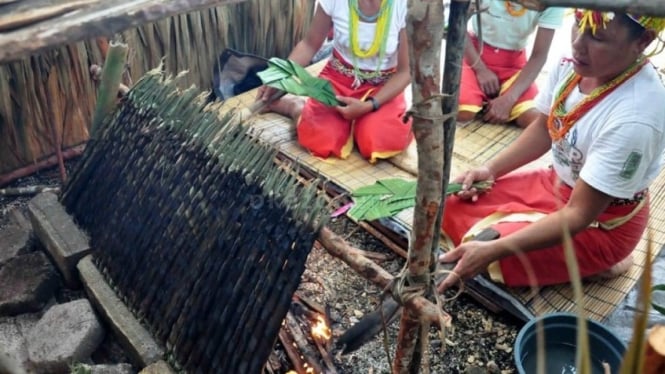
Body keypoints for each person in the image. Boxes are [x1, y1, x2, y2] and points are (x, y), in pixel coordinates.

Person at [438, 9, 665, 291]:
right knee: (449, 206)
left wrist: (496, 250)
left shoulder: (636, 117)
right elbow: (545, 126)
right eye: (578, 25)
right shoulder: (575, 64)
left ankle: (607, 259)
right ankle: (541, 243)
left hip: (600, 220)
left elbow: (579, 214)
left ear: (643, 41)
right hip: (555, 184)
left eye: (597, 36)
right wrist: (490, 170)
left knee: (487, 249)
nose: (578, 44)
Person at [258, 0, 413, 163]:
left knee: (379, 140)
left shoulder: (406, 5)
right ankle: (295, 107)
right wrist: (280, 76)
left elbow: (406, 71)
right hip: (338, 79)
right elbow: (310, 44)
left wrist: (369, 105)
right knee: (320, 139)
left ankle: (364, 123)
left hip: (382, 86)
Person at [458, 1, 565, 127]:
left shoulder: (553, 2)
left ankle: (491, 101)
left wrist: (509, 98)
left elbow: (539, 55)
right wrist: (480, 69)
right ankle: (483, 100)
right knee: (464, 112)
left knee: (535, 119)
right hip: (473, 58)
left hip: (514, 66)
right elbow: (457, 27)